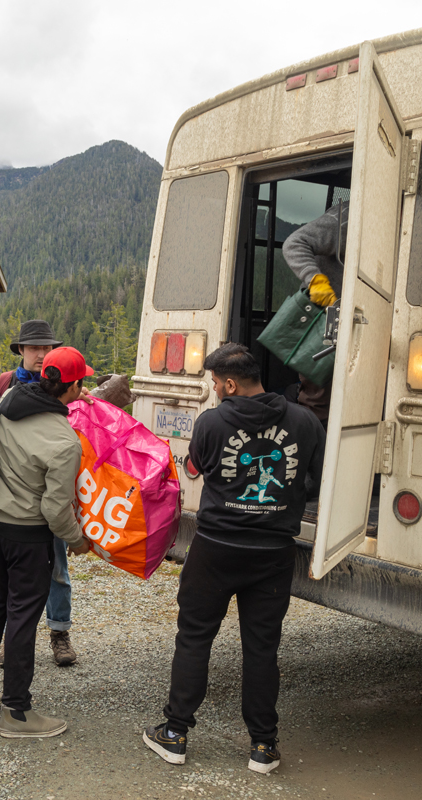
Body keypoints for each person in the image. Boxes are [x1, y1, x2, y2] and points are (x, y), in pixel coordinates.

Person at [142, 342, 325, 773]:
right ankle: (263, 746)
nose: (213, 391)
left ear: (228, 383)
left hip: (216, 549)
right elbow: (313, 480)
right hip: (273, 552)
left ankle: (175, 734)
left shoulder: (211, 422)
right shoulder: (304, 422)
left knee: (194, 638)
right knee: (262, 648)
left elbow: (200, 467)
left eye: (213, 383)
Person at [0, 347, 93, 738]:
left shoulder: (7, 406)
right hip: (28, 537)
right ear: (75, 387)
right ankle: (17, 712)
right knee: (22, 617)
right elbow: (55, 510)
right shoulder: (64, 440)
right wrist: (78, 540)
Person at [0, 319, 80, 667]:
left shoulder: (68, 389)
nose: (41, 354)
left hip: (50, 497)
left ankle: (59, 632)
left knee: (58, 569)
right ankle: (14, 645)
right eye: (34, 348)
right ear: (20, 350)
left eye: (47, 348)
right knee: (7, 587)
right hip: (9, 506)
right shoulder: (2, 386)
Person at [282, 201, 347, 423]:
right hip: (323, 321)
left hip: (347, 324)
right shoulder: (349, 215)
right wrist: (315, 280)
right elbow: (294, 243)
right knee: (317, 401)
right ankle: (314, 455)